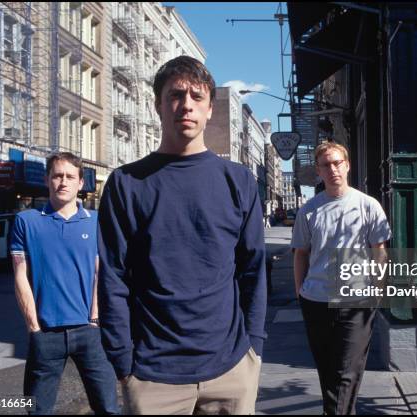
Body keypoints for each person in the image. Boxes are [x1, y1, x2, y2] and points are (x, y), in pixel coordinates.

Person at [97, 56, 267, 415]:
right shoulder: (126, 184)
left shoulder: (238, 181)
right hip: (153, 376)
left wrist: (254, 348)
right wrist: (123, 362)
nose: (186, 104)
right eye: (175, 94)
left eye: (196, 96)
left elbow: (252, 268)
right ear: (158, 105)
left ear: (209, 110)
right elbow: (113, 277)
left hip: (232, 369)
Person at [10, 152, 118, 415]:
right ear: (47, 179)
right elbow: (20, 275)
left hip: (89, 332)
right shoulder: (26, 221)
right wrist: (33, 327)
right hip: (46, 333)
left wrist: (94, 318)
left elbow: (99, 271)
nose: (63, 182)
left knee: (108, 408)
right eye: (57, 176)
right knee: (37, 409)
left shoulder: (96, 221)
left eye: (70, 176)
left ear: (81, 183)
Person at [292, 142, 392, 415]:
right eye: (326, 165)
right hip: (316, 301)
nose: (333, 169)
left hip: (357, 301)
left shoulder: (368, 205)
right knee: (327, 372)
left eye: (337, 163)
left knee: (347, 371)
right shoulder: (309, 210)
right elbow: (301, 253)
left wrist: (378, 290)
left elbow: (379, 252)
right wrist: (300, 291)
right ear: (318, 171)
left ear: (347, 165)